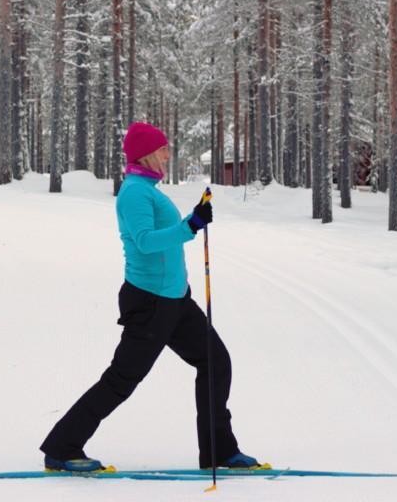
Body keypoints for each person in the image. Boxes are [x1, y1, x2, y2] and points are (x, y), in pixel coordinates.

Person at [39, 121, 259, 472]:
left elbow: (165, 234)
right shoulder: (135, 192)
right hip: (151, 303)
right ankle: (62, 447)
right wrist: (191, 226)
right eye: (163, 149)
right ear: (146, 153)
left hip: (175, 300)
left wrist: (193, 217)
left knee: (215, 361)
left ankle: (219, 451)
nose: (168, 155)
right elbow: (145, 240)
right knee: (122, 380)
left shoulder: (149, 190)